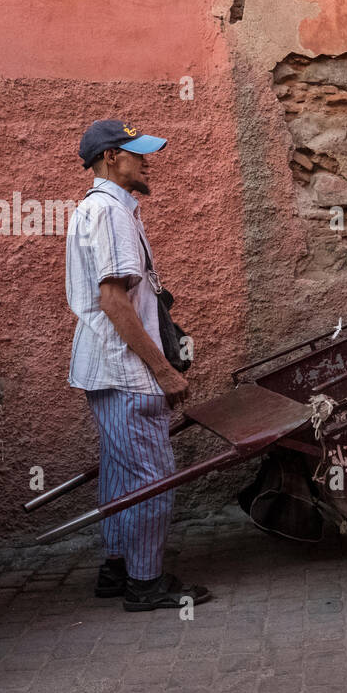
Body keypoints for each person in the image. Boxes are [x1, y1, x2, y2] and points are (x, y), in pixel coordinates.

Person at [65, 119, 211, 611]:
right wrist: (164, 371)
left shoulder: (100, 209)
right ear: (111, 158)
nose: (147, 161)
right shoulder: (111, 213)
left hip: (103, 366)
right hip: (126, 369)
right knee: (151, 476)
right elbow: (114, 301)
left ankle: (117, 567)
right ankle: (145, 583)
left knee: (120, 471)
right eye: (137, 153)